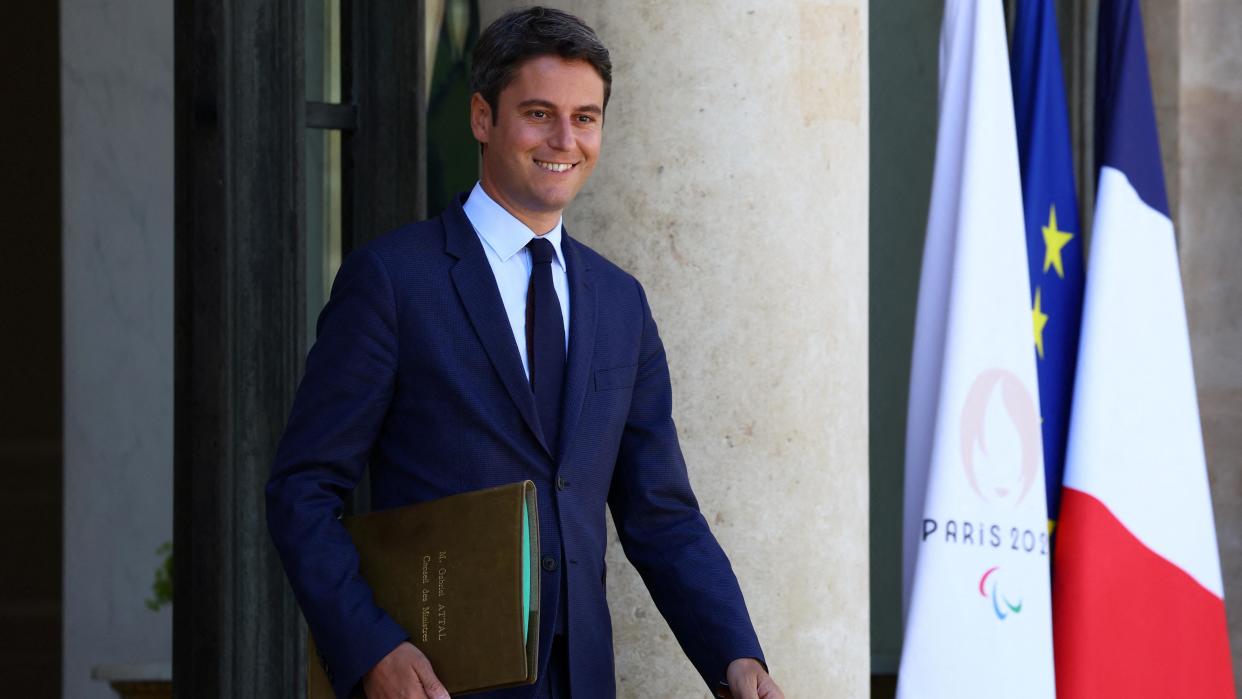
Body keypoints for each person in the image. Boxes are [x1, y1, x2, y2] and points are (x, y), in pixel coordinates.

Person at [266, 7, 784, 699]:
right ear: (483, 118)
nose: (565, 139)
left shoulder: (621, 302)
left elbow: (662, 514)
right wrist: (371, 647)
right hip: (439, 682)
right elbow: (301, 489)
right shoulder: (392, 282)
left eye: (586, 117)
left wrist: (736, 656)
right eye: (539, 113)